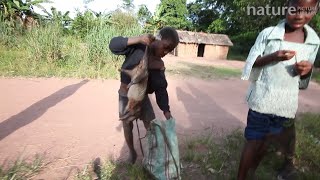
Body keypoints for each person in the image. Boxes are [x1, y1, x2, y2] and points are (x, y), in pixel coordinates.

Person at [238, 0, 320, 179]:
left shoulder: (313, 42)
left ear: (316, 10)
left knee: (267, 143)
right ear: (286, 6)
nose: (299, 15)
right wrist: (273, 56)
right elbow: (251, 63)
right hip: (262, 102)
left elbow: (304, 78)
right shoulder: (268, 34)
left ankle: (252, 172)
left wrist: (306, 71)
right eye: (295, 9)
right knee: (253, 141)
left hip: (285, 106)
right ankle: (241, 176)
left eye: (307, 11)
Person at [109, 27, 179, 164]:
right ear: (157, 39)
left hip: (142, 97)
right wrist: (138, 39)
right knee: (127, 125)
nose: (165, 53)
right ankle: (132, 153)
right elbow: (113, 45)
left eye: (169, 51)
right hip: (125, 95)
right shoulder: (139, 46)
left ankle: (152, 157)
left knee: (151, 126)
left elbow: (161, 89)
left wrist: (166, 110)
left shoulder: (158, 64)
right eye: (165, 47)